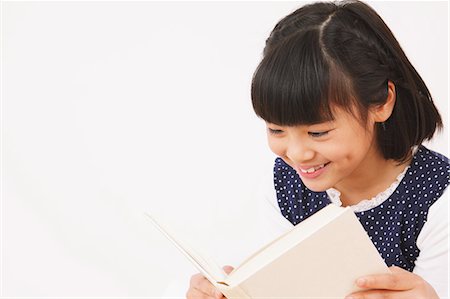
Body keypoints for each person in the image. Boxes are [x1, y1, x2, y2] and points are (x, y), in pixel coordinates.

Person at [186, 1, 449, 298]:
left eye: (318, 132)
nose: (297, 154)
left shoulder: (437, 198)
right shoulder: (285, 186)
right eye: (276, 130)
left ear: (381, 103)